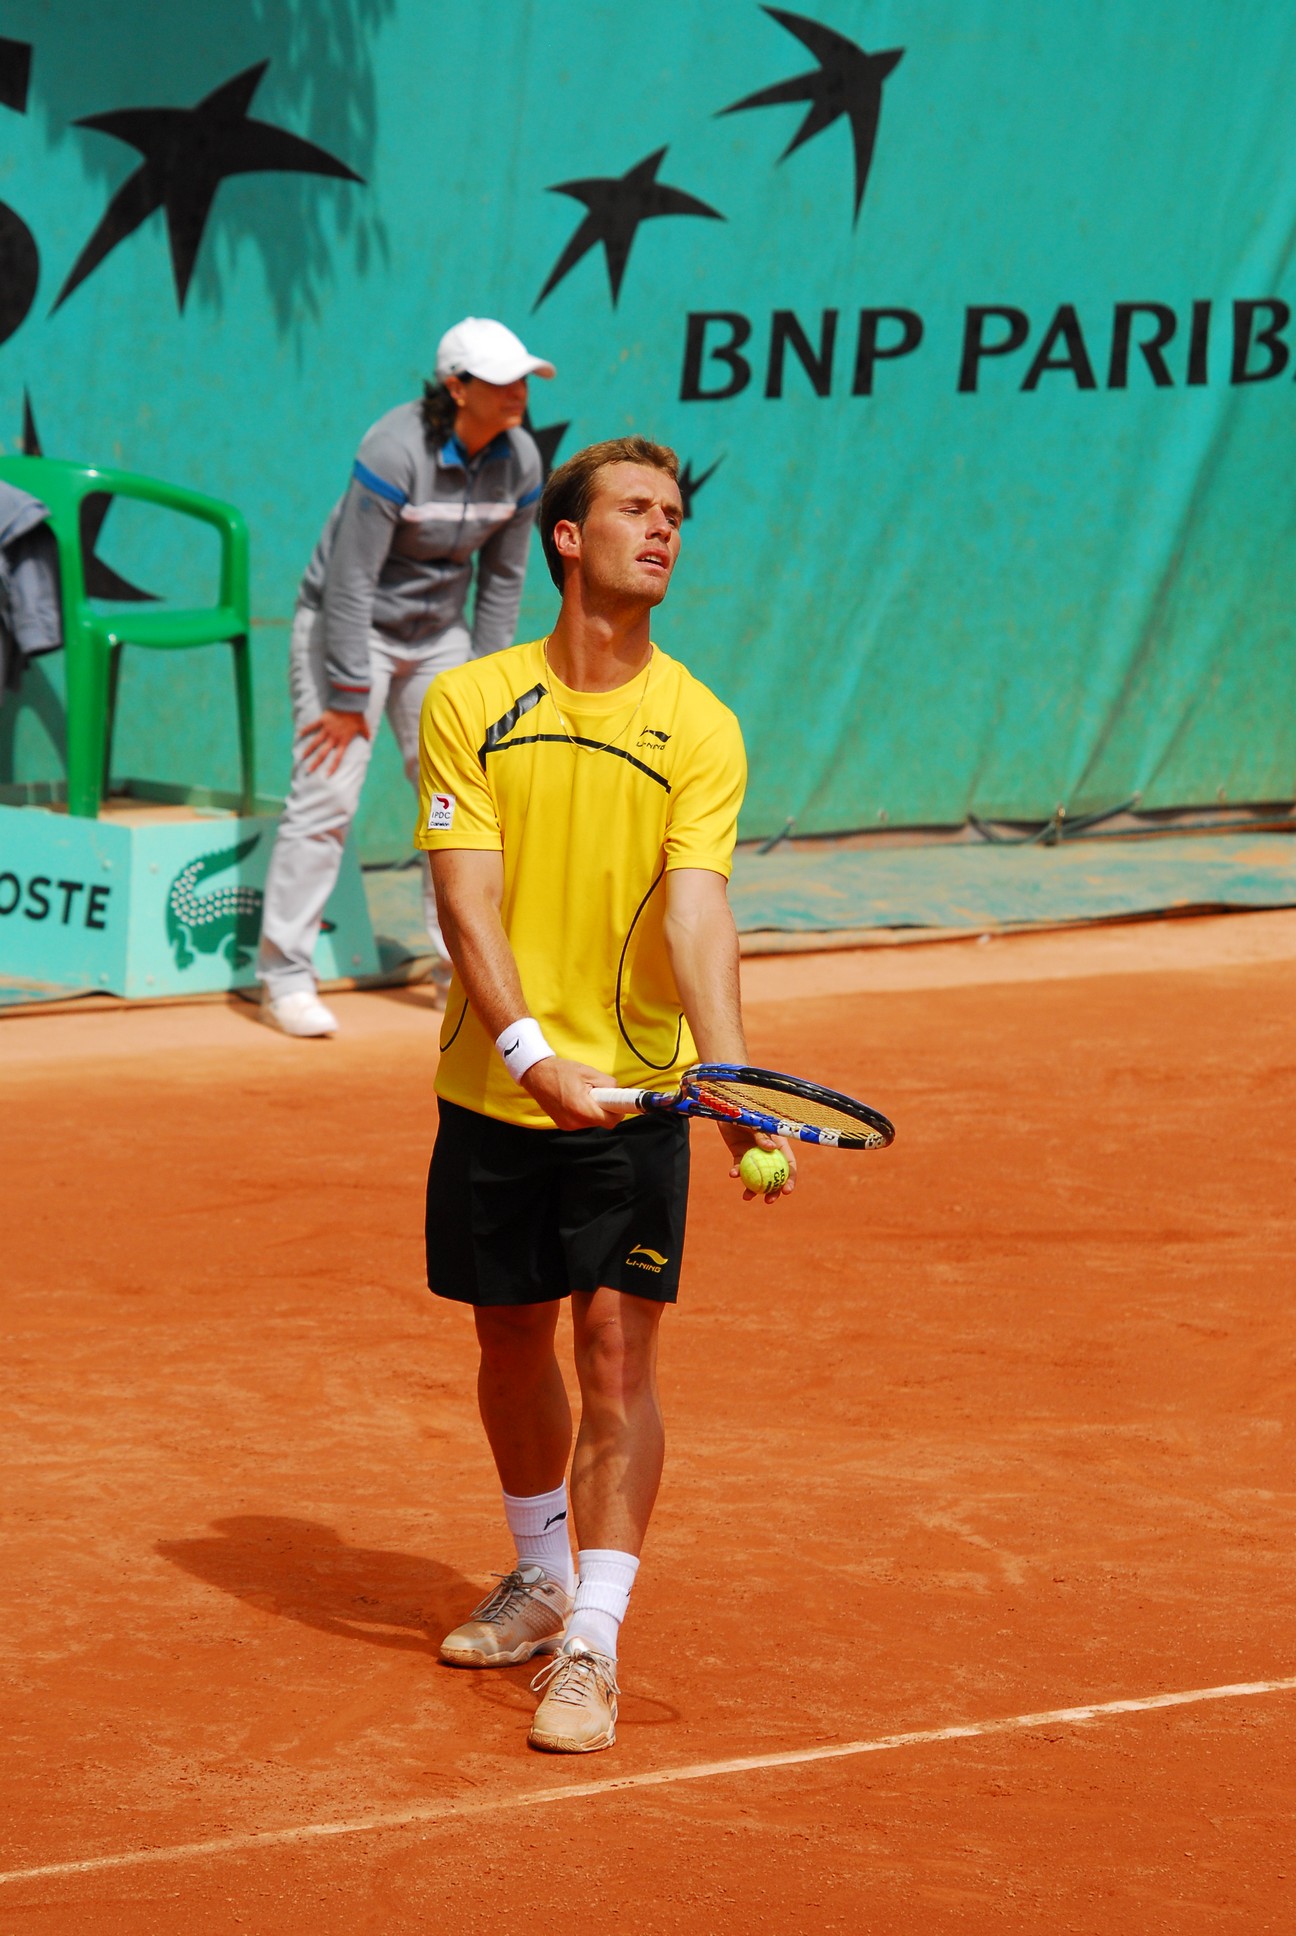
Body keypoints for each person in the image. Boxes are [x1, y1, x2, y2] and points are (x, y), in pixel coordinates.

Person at [415, 434, 796, 1755]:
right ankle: (541, 1576)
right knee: (509, 1342)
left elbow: (699, 907)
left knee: (617, 1352)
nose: (663, 529)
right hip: (499, 1087)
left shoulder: (701, 725)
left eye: (676, 513)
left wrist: (727, 1062)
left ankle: (593, 1644)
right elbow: (465, 901)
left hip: (634, 1100)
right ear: (566, 537)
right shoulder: (470, 702)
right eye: (635, 508)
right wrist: (529, 1054)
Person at [256, 316, 555, 1037]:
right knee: (327, 794)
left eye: (523, 379)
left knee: (460, 801)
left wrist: (485, 685)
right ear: (457, 387)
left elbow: (505, 580)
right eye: (501, 381)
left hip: (439, 639)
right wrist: (348, 694)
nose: (519, 392)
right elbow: (351, 582)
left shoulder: (521, 461)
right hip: (346, 630)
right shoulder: (394, 449)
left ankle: (463, 972)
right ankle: (285, 977)